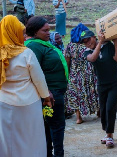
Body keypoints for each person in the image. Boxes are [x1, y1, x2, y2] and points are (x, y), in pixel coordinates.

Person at [0, 15, 52, 157]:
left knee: (7, 140)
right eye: (21, 33)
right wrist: (46, 97)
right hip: (29, 103)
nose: (23, 37)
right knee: (32, 139)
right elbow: (39, 80)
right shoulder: (26, 53)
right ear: (14, 33)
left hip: (4, 103)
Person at [25, 16, 68, 157]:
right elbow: (34, 71)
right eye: (45, 30)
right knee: (56, 127)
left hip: (54, 92)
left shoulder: (42, 44)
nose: (49, 33)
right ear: (35, 32)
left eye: (49, 29)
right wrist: (46, 92)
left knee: (50, 127)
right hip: (50, 95)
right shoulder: (33, 46)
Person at [81, 30, 117, 148]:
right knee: (103, 110)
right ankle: (107, 132)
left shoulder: (108, 46)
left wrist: (115, 42)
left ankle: (110, 136)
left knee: (110, 108)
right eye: (84, 42)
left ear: (94, 37)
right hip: (102, 85)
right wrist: (99, 43)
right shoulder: (87, 52)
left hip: (115, 83)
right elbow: (93, 58)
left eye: (88, 40)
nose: (87, 43)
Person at [65, 25, 98, 124]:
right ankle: (99, 111)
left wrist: (68, 73)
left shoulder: (70, 46)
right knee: (93, 92)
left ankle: (79, 118)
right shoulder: (87, 45)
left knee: (76, 95)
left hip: (75, 74)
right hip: (89, 72)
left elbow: (67, 61)